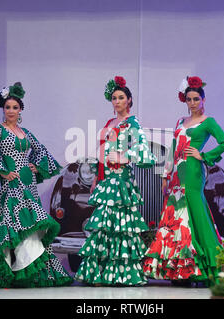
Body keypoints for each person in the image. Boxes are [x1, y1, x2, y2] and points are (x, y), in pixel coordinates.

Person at [0, 82, 73, 288]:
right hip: (12, 184)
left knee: (32, 225)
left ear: (20, 109)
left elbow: (40, 150)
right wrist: (2, 172)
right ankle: (10, 271)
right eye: (7, 107)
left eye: (15, 107)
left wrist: (36, 166)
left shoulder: (26, 132)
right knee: (14, 223)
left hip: (28, 182)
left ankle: (33, 271)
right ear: (3, 109)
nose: (11, 111)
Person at [142, 76, 224, 287]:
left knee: (196, 215)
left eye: (196, 99)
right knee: (176, 218)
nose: (192, 103)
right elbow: (173, 150)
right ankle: (181, 268)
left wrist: (204, 156)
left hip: (193, 171)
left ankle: (210, 266)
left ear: (203, 99)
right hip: (176, 173)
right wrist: (165, 174)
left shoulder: (209, 122)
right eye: (189, 99)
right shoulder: (180, 122)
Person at [74, 76, 156, 286]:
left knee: (119, 226)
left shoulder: (132, 122)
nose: (117, 101)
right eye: (114, 98)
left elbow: (142, 148)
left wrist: (123, 157)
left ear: (129, 100)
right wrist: (95, 178)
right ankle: (101, 273)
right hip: (105, 179)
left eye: (121, 97)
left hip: (120, 179)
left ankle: (120, 274)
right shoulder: (110, 123)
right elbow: (102, 150)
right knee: (104, 226)